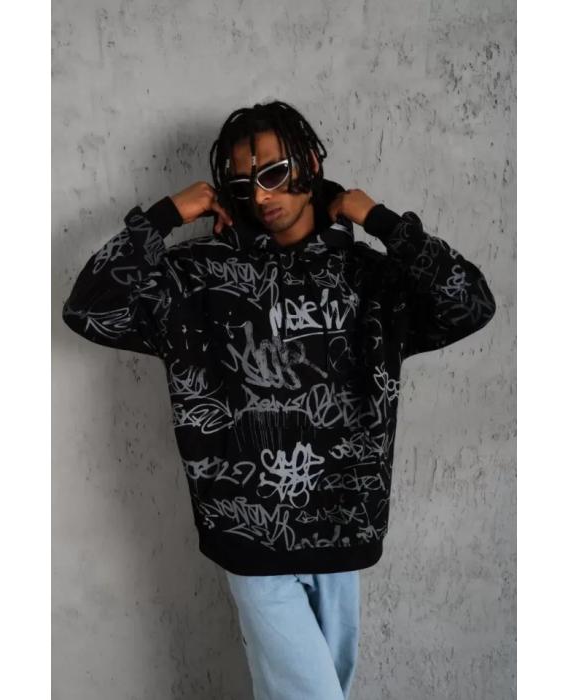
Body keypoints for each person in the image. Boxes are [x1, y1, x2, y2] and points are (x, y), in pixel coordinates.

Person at [61, 99, 496, 699]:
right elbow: (88, 309)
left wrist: (382, 221)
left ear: (310, 162)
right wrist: (163, 217)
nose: (261, 195)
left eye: (273, 172)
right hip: (248, 531)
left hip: (344, 525)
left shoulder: (369, 278)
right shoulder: (197, 277)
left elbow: (470, 302)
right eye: (244, 183)